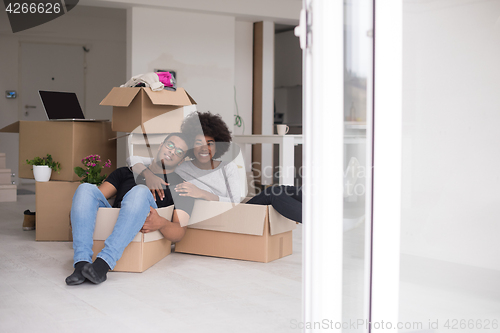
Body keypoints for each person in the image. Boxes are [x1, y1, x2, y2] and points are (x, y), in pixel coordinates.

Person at [66, 133, 194, 286]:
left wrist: (161, 223)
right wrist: (79, 210)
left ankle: (103, 264)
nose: (172, 152)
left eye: (179, 152)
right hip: (114, 221)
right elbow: (91, 199)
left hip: (144, 224)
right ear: (161, 146)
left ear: (181, 161)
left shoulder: (181, 187)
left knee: (139, 191)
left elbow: (180, 233)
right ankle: (81, 264)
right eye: (170, 145)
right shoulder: (125, 172)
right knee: (85, 188)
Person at [128, 112, 303, 223]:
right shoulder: (181, 166)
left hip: (236, 212)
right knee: (273, 194)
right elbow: (132, 158)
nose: (204, 148)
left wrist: (204, 194)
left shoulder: (228, 168)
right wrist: (147, 174)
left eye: (210, 143)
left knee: (281, 190)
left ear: (217, 146)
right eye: (198, 143)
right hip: (219, 219)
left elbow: (235, 202)